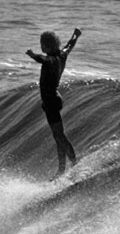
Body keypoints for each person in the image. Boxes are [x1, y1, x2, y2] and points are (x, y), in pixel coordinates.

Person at [26, 28, 81, 178]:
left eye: (42, 45)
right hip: (54, 99)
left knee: (59, 136)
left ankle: (75, 165)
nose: (41, 48)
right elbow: (70, 46)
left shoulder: (49, 59)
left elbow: (42, 59)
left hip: (50, 101)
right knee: (58, 136)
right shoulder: (62, 55)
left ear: (46, 46)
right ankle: (62, 169)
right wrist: (75, 36)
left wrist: (32, 55)